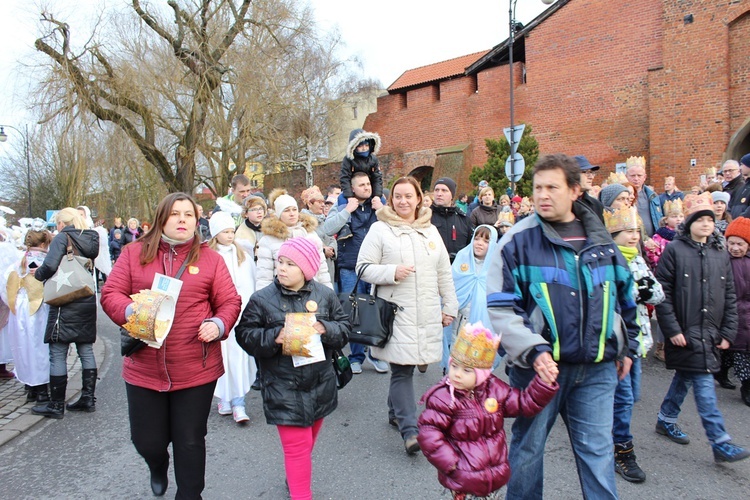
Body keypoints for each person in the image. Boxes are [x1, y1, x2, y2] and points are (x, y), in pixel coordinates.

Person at [486, 154, 640, 499]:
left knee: (598, 455)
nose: (542, 195)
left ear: (573, 190)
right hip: (540, 370)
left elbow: (624, 295)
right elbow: (500, 305)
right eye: (537, 187)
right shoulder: (516, 240)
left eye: (552, 187)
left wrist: (628, 343)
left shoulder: (601, 238)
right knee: (528, 451)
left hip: (597, 369)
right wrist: (532, 349)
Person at [101, 193, 241, 498]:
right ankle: (157, 463)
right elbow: (111, 293)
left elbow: (230, 301)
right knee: (146, 440)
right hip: (143, 367)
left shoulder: (210, 259)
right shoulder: (133, 253)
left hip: (196, 367)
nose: (182, 219)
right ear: (162, 218)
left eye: (188, 215)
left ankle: (189, 494)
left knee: (190, 439)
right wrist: (131, 312)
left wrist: (217, 325)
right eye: (175, 214)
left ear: (196, 221)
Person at [235, 237, 350, 500]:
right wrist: (273, 337)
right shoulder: (262, 299)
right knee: (297, 449)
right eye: (280, 262)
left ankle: (295, 477)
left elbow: (344, 328)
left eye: (290, 264)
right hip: (283, 387)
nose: (282, 268)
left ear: (307, 269)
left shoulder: (325, 295)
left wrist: (326, 328)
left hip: (320, 383)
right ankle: (301, 493)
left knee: (306, 443)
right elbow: (244, 334)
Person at [356, 176, 458, 455]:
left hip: (425, 311)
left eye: (408, 196)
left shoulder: (430, 231)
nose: (403, 201)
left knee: (409, 365)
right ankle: (411, 430)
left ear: (419, 199)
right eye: (398, 196)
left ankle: (395, 411)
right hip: (395, 311)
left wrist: (449, 306)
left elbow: (443, 273)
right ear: (391, 200)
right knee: (402, 368)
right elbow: (362, 268)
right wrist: (391, 272)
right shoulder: (380, 229)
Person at [653, 192, 749, 463]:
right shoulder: (675, 250)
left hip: (710, 332)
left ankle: (666, 418)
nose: (706, 224)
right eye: (700, 219)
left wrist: (728, 332)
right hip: (685, 330)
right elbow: (663, 293)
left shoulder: (720, 253)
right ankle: (720, 442)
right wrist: (672, 330)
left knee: (686, 376)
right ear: (689, 223)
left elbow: (729, 294)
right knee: (704, 386)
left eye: (710, 219)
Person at [418, 323, 558, 500]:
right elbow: (429, 433)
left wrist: (543, 383)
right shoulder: (444, 397)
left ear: (482, 373)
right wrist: (452, 463)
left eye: (467, 370)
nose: (457, 374)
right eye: (454, 367)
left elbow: (524, 403)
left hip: (493, 479)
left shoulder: (495, 390)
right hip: (463, 480)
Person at [603, 206, 664, 483]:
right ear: (612, 235)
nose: (633, 236)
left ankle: (608, 435)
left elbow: (657, 293)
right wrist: (635, 291)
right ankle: (622, 451)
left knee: (630, 396)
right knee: (623, 397)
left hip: (638, 342)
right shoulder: (606, 261)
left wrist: (640, 291)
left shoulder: (639, 261)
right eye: (627, 232)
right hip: (617, 342)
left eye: (636, 231)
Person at [31, 208, 99, 419]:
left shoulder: (63, 237)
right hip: (86, 296)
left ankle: (56, 404)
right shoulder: (92, 237)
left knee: (58, 351)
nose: (57, 227)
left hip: (65, 298)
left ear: (63, 222)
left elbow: (50, 265)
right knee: (86, 349)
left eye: (58, 223)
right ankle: (88, 399)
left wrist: (38, 274)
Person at [320, 172, 387, 374]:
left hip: (377, 265)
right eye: (362, 185)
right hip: (351, 266)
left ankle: (375, 355)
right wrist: (347, 211)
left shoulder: (379, 202)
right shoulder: (343, 203)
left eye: (368, 184)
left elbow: (396, 226)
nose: (367, 187)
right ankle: (356, 356)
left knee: (376, 311)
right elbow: (327, 228)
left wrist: (382, 210)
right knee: (354, 311)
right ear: (353, 188)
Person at [207, 212, 256, 424]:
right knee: (220, 356)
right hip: (218, 315)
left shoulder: (241, 253)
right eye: (224, 232)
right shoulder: (208, 255)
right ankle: (224, 397)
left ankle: (239, 400)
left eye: (231, 231)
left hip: (240, 313)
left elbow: (250, 281)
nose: (229, 236)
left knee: (239, 357)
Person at [1, 229, 51, 403]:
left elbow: (5, 289)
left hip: (19, 310)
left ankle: (30, 387)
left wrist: (13, 305)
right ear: (44, 244)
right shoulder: (46, 263)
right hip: (39, 309)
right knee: (40, 348)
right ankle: (42, 389)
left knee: (23, 347)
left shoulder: (16, 264)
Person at [429, 177, 472, 374]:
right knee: (433, 323)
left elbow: (471, 249)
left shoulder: (463, 219)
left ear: (452, 195)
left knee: (454, 325)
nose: (439, 193)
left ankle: (450, 367)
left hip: (457, 280)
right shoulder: (425, 218)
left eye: (444, 190)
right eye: (436, 189)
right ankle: (428, 354)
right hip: (431, 278)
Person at [256, 190, 331, 291]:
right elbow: (264, 276)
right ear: (279, 214)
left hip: (311, 292)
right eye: (286, 210)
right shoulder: (268, 240)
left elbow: (322, 270)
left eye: (294, 209)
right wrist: (264, 302)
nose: (292, 214)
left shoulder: (310, 235)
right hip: (281, 294)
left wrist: (329, 295)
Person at [725, 217, 750, 407]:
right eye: (731, 243)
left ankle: (746, 384)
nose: (735, 248)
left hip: (747, 311)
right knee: (734, 349)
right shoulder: (723, 261)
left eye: (740, 244)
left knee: (742, 351)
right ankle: (745, 384)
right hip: (731, 311)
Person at [300, 186, 337, 293]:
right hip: (314, 266)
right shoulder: (303, 222)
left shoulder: (325, 219)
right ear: (310, 204)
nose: (322, 205)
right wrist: (323, 250)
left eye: (323, 202)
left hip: (328, 265)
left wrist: (332, 249)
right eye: (319, 202)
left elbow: (332, 238)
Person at [340, 128, 383, 200]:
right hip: (352, 191)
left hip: (369, 190)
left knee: (382, 203)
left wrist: (377, 195)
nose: (364, 148)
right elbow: (345, 178)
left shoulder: (373, 159)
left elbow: (377, 178)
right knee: (341, 202)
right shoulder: (348, 159)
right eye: (360, 146)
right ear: (354, 147)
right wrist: (349, 196)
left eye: (366, 145)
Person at [626, 156, 663, 238]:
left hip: (653, 240)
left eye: (639, 175)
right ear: (627, 176)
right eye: (633, 175)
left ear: (644, 177)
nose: (636, 179)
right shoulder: (623, 197)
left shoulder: (653, 196)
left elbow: (659, 218)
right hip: (633, 240)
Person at [234, 194, 267, 260]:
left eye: (261, 209)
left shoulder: (270, 229)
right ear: (246, 213)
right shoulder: (241, 232)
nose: (259, 212)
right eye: (254, 209)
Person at [575, 155, 605, 223]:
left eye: (592, 173)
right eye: (586, 172)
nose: (591, 177)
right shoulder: (562, 204)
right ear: (573, 174)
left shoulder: (597, 205)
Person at [729, 154, 750, 218]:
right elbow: (730, 206)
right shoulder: (742, 187)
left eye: (742, 164)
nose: (740, 167)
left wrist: (739, 220)